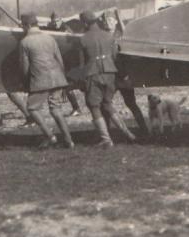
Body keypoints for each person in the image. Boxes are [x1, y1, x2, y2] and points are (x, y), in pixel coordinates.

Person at [79, 10, 136, 147]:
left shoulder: (83, 39)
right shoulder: (109, 36)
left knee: (94, 106)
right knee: (107, 103)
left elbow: (82, 64)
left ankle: (106, 139)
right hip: (110, 73)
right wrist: (122, 75)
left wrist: (82, 81)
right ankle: (128, 134)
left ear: (85, 23)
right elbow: (116, 58)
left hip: (94, 74)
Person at [18, 13, 75, 149]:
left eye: (23, 26)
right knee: (56, 110)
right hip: (57, 77)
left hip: (40, 79)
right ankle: (69, 141)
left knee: (32, 108)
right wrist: (62, 77)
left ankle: (50, 136)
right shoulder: (50, 38)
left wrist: (26, 83)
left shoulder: (25, 42)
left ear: (28, 25)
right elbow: (59, 60)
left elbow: (24, 67)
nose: (22, 29)